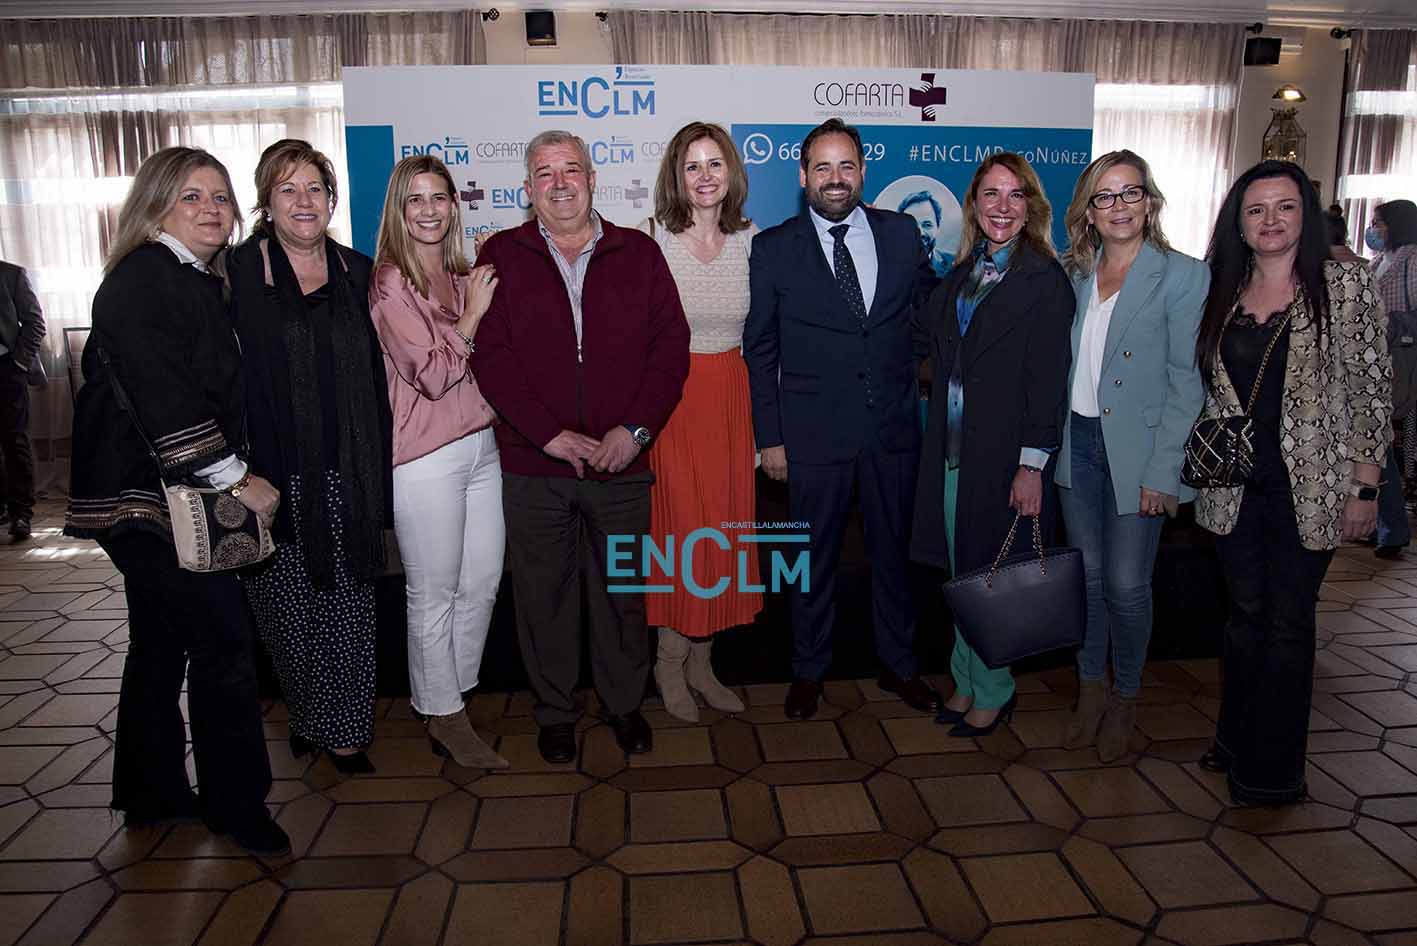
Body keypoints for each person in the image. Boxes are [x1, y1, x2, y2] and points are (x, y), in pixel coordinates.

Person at [64, 146, 289, 856]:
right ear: (156, 206)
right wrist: (237, 478)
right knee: (224, 644)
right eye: (191, 196)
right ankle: (237, 806)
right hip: (151, 500)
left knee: (160, 643)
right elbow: (165, 397)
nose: (211, 209)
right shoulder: (145, 278)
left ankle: (151, 788)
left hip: (156, 496)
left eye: (220, 197)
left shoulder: (189, 279)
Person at [472, 131, 689, 764]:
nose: (560, 183)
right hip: (534, 467)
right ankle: (555, 713)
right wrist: (546, 434)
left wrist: (635, 432)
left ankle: (624, 706)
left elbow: (670, 351)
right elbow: (492, 356)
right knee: (544, 598)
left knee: (622, 594)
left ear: (593, 180)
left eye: (572, 170)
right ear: (528, 188)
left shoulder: (640, 252)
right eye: (545, 173)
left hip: (621, 466)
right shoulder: (499, 254)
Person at [1195, 160, 1390, 807]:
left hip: (1311, 489)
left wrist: (1365, 488)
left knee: (1287, 623)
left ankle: (1272, 772)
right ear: (1238, 223)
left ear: (1304, 215)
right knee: (1243, 618)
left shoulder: (1344, 285)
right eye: (1256, 210)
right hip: (1232, 487)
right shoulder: (1218, 286)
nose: (1270, 220)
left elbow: (1370, 391)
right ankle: (1234, 740)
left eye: (1284, 206)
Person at [745, 118, 938, 721]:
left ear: (862, 172)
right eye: (823, 167)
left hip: (891, 432)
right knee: (812, 562)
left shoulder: (902, 233)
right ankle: (808, 670)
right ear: (803, 176)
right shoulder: (773, 248)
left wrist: (905, 367)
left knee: (893, 560)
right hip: (811, 437)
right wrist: (770, 438)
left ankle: (900, 665)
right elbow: (761, 350)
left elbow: (928, 314)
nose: (835, 178)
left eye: (846, 166)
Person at [227, 139, 390, 775]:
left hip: (351, 470)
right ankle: (307, 714)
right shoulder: (237, 275)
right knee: (287, 611)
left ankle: (345, 732)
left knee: (349, 608)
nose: (303, 201)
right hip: (270, 473)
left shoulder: (358, 271)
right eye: (287, 189)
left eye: (315, 188)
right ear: (266, 202)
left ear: (331, 200)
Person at [909, 152, 1075, 737]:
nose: (1002, 207)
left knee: (991, 576)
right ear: (975, 205)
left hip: (1005, 457)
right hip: (953, 451)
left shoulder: (1044, 280)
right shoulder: (965, 274)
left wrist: (1033, 465)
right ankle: (966, 678)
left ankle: (995, 688)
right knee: (963, 572)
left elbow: (1048, 381)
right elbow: (928, 343)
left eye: (1014, 195)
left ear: (1031, 206)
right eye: (991, 195)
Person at [1054, 150, 1207, 760]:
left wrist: (1162, 472)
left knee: (1126, 585)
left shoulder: (1183, 275)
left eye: (1130, 193)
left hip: (1140, 456)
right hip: (1077, 447)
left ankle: (1126, 697)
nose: (1118, 206)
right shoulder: (1073, 273)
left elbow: (1187, 383)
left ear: (1150, 201)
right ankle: (1089, 689)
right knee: (1088, 581)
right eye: (1105, 196)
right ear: (1088, 211)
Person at [369, 154, 509, 770]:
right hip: (424, 457)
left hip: (482, 445)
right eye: (415, 199)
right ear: (399, 210)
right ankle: (443, 713)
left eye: (439, 198)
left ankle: (454, 695)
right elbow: (431, 375)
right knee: (434, 592)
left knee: (482, 581)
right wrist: (474, 314)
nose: (429, 210)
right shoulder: (390, 281)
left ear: (454, 205)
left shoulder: (459, 273)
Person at [637, 121, 759, 722]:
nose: (705, 176)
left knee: (723, 534)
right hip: (673, 402)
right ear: (676, 177)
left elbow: (763, 339)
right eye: (692, 166)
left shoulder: (752, 240)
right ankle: (669, 661)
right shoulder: (652, 239)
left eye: (715, 163)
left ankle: (703, 665)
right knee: (680, 534)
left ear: (731, 172)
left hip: (731, 399)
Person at [1369, 200, 1417, 495]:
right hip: (1379, 353)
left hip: (1404, 352)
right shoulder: (1377, 260)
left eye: (1378, 223)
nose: (1373, 230)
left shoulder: (1412, 259)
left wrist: (1391, 321)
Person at [0, 259, 46, 541]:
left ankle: (21, 514)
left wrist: (18, 363)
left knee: (14, 441)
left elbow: (35, 323)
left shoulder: (11, 274)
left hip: (6, 370)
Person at [898, 189, 953, 278]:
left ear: (938, 227)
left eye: (927, 225)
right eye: (911, 225)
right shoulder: (886, 265)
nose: (920, 233)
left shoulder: (956, 264)